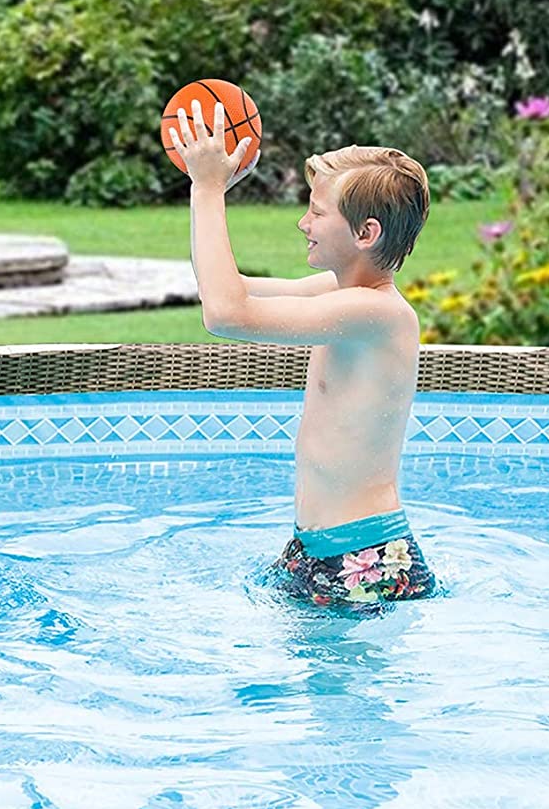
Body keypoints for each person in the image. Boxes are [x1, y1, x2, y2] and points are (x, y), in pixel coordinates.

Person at [171, 101, 437, 606]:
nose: (302, 222)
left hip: (364, 556)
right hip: (314, 546)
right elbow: (223, 289)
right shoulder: (337, 292)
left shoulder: (378, 313)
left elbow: (226, 314)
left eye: (316, 212)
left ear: (366, 233)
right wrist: (210, 187)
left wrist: (207, 191)